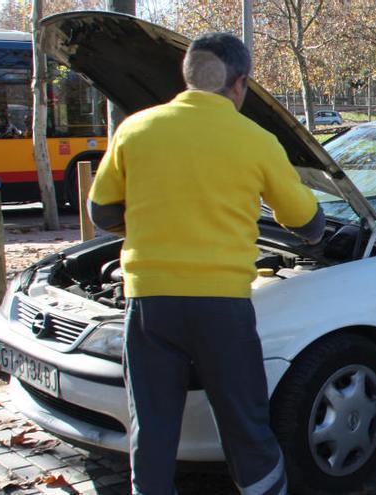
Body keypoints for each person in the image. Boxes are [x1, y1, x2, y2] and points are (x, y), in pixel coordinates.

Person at [88, 33, 325, 495]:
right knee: (244, 423)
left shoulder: (136, 128)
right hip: (222, 308)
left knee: (153, 425)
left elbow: (102, 212)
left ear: (189, 75)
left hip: (150, 303)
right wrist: (314, 231)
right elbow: (305, 221)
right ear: (239, 84)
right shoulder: (256, 140)